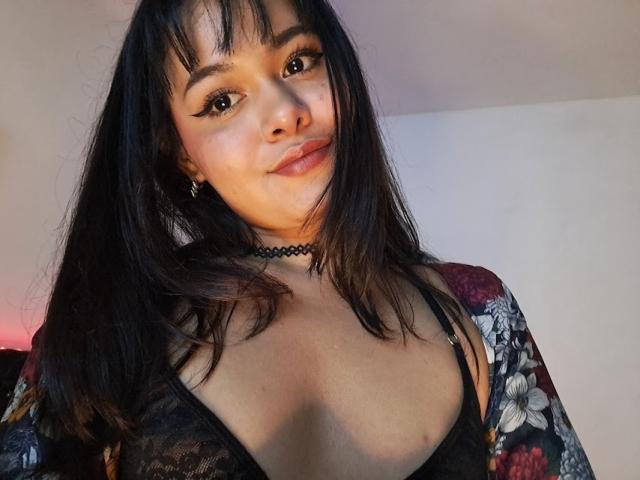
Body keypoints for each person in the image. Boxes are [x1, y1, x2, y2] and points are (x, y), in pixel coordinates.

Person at [0, 0, 595, 478]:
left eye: (297, 63)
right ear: (182, 153)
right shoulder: (104, 327)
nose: (285, 113)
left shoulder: (479, 313)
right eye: (221, 100)